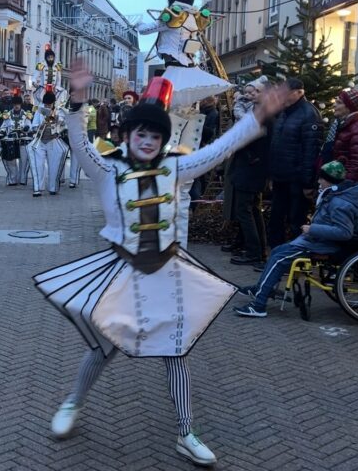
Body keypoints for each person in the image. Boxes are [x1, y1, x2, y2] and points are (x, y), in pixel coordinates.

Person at [39, 64, 286, 467]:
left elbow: (218, 150)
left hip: (167, 274)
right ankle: (72, 403)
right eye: (142, 133)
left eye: (156, 135)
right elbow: (79, 142)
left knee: (176, 351)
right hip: (122, 273)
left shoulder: (175, 167)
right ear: (127, 135)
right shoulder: (107, 170)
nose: (149, 140)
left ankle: (186, 432)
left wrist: (258, 117)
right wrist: (78, 102)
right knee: (103, 349)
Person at [234, 161, 358, 317]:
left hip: (324, 245)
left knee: (280, 258)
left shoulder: (340, 203)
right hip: (317, 240)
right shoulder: (335, 195)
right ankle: (263, 288)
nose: (319, 181)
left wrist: (312, 229)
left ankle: (259, 305)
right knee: (278, 251)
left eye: (321, 179)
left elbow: (344, 232)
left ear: (330, 181)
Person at [266, 77, 322, 247]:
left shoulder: (309, 114)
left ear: (299, 92)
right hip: (281, 176)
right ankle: (276, 255)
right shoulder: (285, 112)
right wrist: (272, 174)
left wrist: (307, 182)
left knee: (296, 220)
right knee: (276, 217)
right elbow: (276, 144)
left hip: (297, 178)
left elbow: (311, 151)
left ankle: (296, 257)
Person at [228, 82, 271, 266]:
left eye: (256, 91)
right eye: (250, 91)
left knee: (245, 210)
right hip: (250, 168)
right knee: (252, 209)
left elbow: (254, 141)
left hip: (251, 169)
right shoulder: (257, 111)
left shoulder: (263, 114)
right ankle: (258, 250)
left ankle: (255, 252)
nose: (251, 94)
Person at [319, 89, 358, 185]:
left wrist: (344, 186)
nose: (334, 105)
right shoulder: (345, 123)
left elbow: (357, 165)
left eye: (339, 103)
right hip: (338, 180)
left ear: (349, 107)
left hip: (344, 184)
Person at [28, 91, 68, 197]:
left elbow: (65, 124)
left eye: (49, 105)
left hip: (53, 141)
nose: (47, 106)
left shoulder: (59, 111)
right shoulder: (39, 111)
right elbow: (34, 126)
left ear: (53, 103)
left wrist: (57, 119)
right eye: (45, 104)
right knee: (38, 165)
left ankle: (53, 187)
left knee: (54, 166)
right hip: (40, 141)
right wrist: (41, 125)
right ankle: (38, 188)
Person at [0, 95, 32, 186]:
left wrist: (27, 128)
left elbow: (30, 127)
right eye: (14, 104)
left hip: (23, 140)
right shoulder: (7, 115)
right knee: (11, 161)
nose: (16, 106)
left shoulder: (26, 115)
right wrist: (1, 132)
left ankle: (22, 179)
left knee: (24, 160)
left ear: (20, 104)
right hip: (11, 140)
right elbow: (3, 127)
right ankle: (13, 179)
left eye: (18, 104)